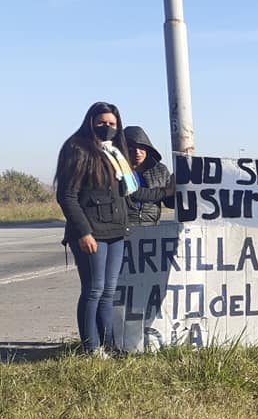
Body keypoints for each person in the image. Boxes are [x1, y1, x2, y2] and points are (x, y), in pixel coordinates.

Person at [55, 102, 138, 355]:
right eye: (102, 122)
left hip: (115, 230)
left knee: (109, 291)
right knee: (94, 290)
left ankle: (110, 345)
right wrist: (83, 232)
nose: (107, 127)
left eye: (112, 124)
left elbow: (128, 191)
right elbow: (67, 196)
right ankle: (91, 348)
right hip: (91, 232)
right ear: (90, 121)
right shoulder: (77, 148)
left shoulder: (115, 152)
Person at [125, 125, 175, 225]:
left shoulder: (161, 170)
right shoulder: (116, 171)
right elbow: (132, 194)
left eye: (141, 148)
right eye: (132, 148)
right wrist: (166, 192)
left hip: (153, 229)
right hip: (123, 229)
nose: (137, 152)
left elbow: (170, 203)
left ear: (148, 149)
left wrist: (180, 187)